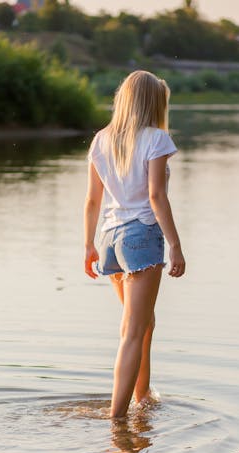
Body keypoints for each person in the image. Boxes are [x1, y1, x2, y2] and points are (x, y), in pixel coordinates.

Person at [84, 70, 185, 419]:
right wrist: (175, 245)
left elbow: (92, 202)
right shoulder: (156, 138)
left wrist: (88, 246)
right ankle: (118, 419)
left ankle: (142, 397)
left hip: (111, 239)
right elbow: (156, 196)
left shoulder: (101, 139)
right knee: (131, 331)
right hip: (141, 236)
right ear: (153, 103)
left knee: (144, 323)